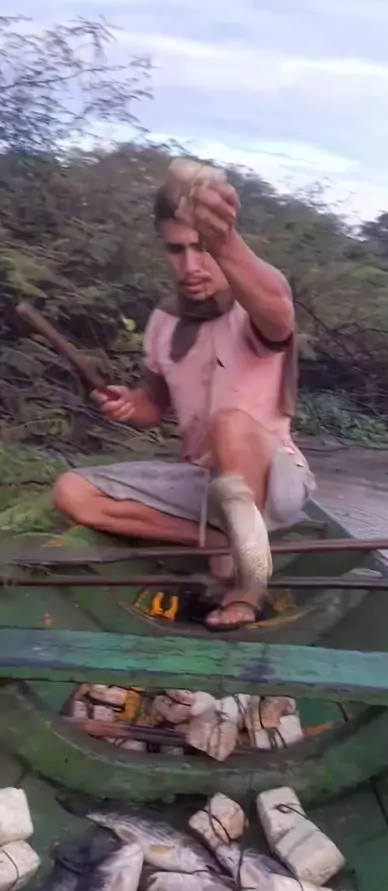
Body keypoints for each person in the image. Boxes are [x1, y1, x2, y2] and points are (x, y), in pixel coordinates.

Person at [54, 167, 315, 631]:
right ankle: (219, 541)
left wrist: (224, 240)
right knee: (72, 490)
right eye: (177, 250)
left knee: (229, 423)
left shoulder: (253, 301)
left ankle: (248, 583)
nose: (191, 266)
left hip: (276, 482)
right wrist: (129, 403)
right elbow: (153, 405)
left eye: (202, 248)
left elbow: (278, 314)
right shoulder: (164, 321)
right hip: (202, 482)